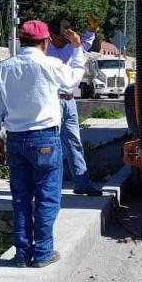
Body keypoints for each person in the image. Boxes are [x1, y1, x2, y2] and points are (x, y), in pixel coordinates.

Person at [0, 20, 86, 268]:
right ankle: (42, 253)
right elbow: (72, 81)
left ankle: (22, 255)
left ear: (22, 41)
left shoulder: (4, 68)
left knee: (20, 199)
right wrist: (77, 49)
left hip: (16, 139)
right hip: (45, 139)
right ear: (44, 42)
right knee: (47, 198)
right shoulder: (50, 64)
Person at [46, 13, 103, 196]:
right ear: (52, 35)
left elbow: (84, 44)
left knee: (74, 143)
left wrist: (91, 30)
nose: (67, 39)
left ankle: (81, 183)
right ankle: (48, 187)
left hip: (70, 101)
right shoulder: (45, 49)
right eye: (63, 35)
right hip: (52, 100)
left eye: (69, 35)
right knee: (50, 146)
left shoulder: (71, 46)